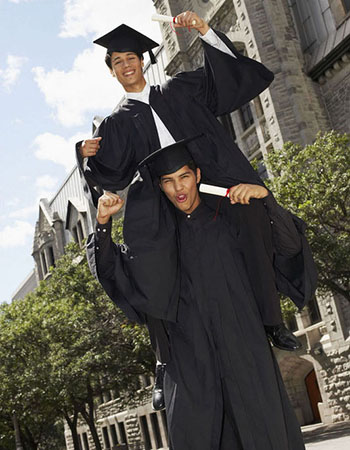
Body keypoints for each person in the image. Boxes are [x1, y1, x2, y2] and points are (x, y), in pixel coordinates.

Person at [77, 12, 317, 409]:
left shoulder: (178, 90)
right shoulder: (114, 124)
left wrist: (206, 31)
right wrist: (84, 155)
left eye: (131, 57)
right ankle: (162, 359)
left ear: (143, 61)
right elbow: (108, 175)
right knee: (149, 263)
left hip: (211, 181)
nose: (126, 65)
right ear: (112, 72)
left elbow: (227, 82)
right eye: (117, 61)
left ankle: (271, 322)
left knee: (257, 221)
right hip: (162, 201)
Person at [87, 138, 308, 449]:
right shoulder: (156, 243)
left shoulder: (232, 220)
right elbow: (111, 271)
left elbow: (288, 247)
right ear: (161, 187)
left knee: (265, 432)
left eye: (184, 176)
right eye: (168, 181)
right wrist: (103, 223)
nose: (179, 187)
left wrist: (266, 199)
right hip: (189, 357)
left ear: (198, 175)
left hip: (243, 344)